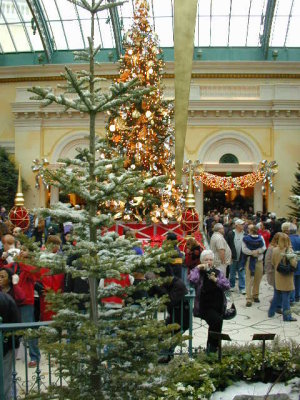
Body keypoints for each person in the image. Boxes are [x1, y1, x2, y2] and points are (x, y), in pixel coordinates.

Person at [189, 250, 230, 353]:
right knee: (216, 321)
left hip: (218, 305)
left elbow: (227, 285)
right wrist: (197, 268)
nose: (209, 262)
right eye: (206, 259)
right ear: (202, 260)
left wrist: (216, 280)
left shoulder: (217, 272)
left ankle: (212, 349)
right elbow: (192, 280)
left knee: (216, 324)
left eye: (210, 259)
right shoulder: (199, 272)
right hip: (205, 306)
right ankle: (213, 348)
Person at [268, 233, 297, 321]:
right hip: (287, 278)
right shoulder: (289, 251)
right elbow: (294, 264)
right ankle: (287, 316)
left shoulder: (275, 250)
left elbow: (272, 262)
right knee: (286, 299)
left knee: (277, 295)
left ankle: (271, 312)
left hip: (278, 276)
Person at [0, 292, 21, 400]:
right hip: (8, 344)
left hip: (7, 345)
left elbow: (16, 327)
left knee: (5, 378)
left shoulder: (5, 299)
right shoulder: (6, 298)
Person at [242, 224, 266, 307]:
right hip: (250, 260)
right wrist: (253, 252)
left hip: (259, 261)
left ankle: (255, 295)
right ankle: (248, 299)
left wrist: (257, 251)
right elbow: (244, 249)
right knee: (249, 280)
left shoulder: (261, 237)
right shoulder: (245, 238)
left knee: (258, 278)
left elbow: (264, 248)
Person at [226, 219, 246, 294]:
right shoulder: (231, 233)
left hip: (242, 257)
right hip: (233, 257)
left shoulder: (245, 234)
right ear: (237, 225)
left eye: (243, 224)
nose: (243, 226)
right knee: (232, 272)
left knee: (241, 273)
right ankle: (232, 285)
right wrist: (228, 256)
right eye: (241, 224)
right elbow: (227, 245)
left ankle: (242, 287)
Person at [265, 233, 283, 315]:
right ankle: (273, 309)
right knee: (278, 291)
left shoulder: (277, 248)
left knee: (279, 291)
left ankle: (277, 306)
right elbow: (268, 261)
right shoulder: (272, 248)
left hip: (277, 272)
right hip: (273, 273)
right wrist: (270, 271)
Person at [289, 224, 300, 303]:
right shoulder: (299, 239)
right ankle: (297, 296)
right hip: (299, 263)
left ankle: (291, 299)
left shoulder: (288, 239)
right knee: (298, 281)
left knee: (291, 282)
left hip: (291, 263)